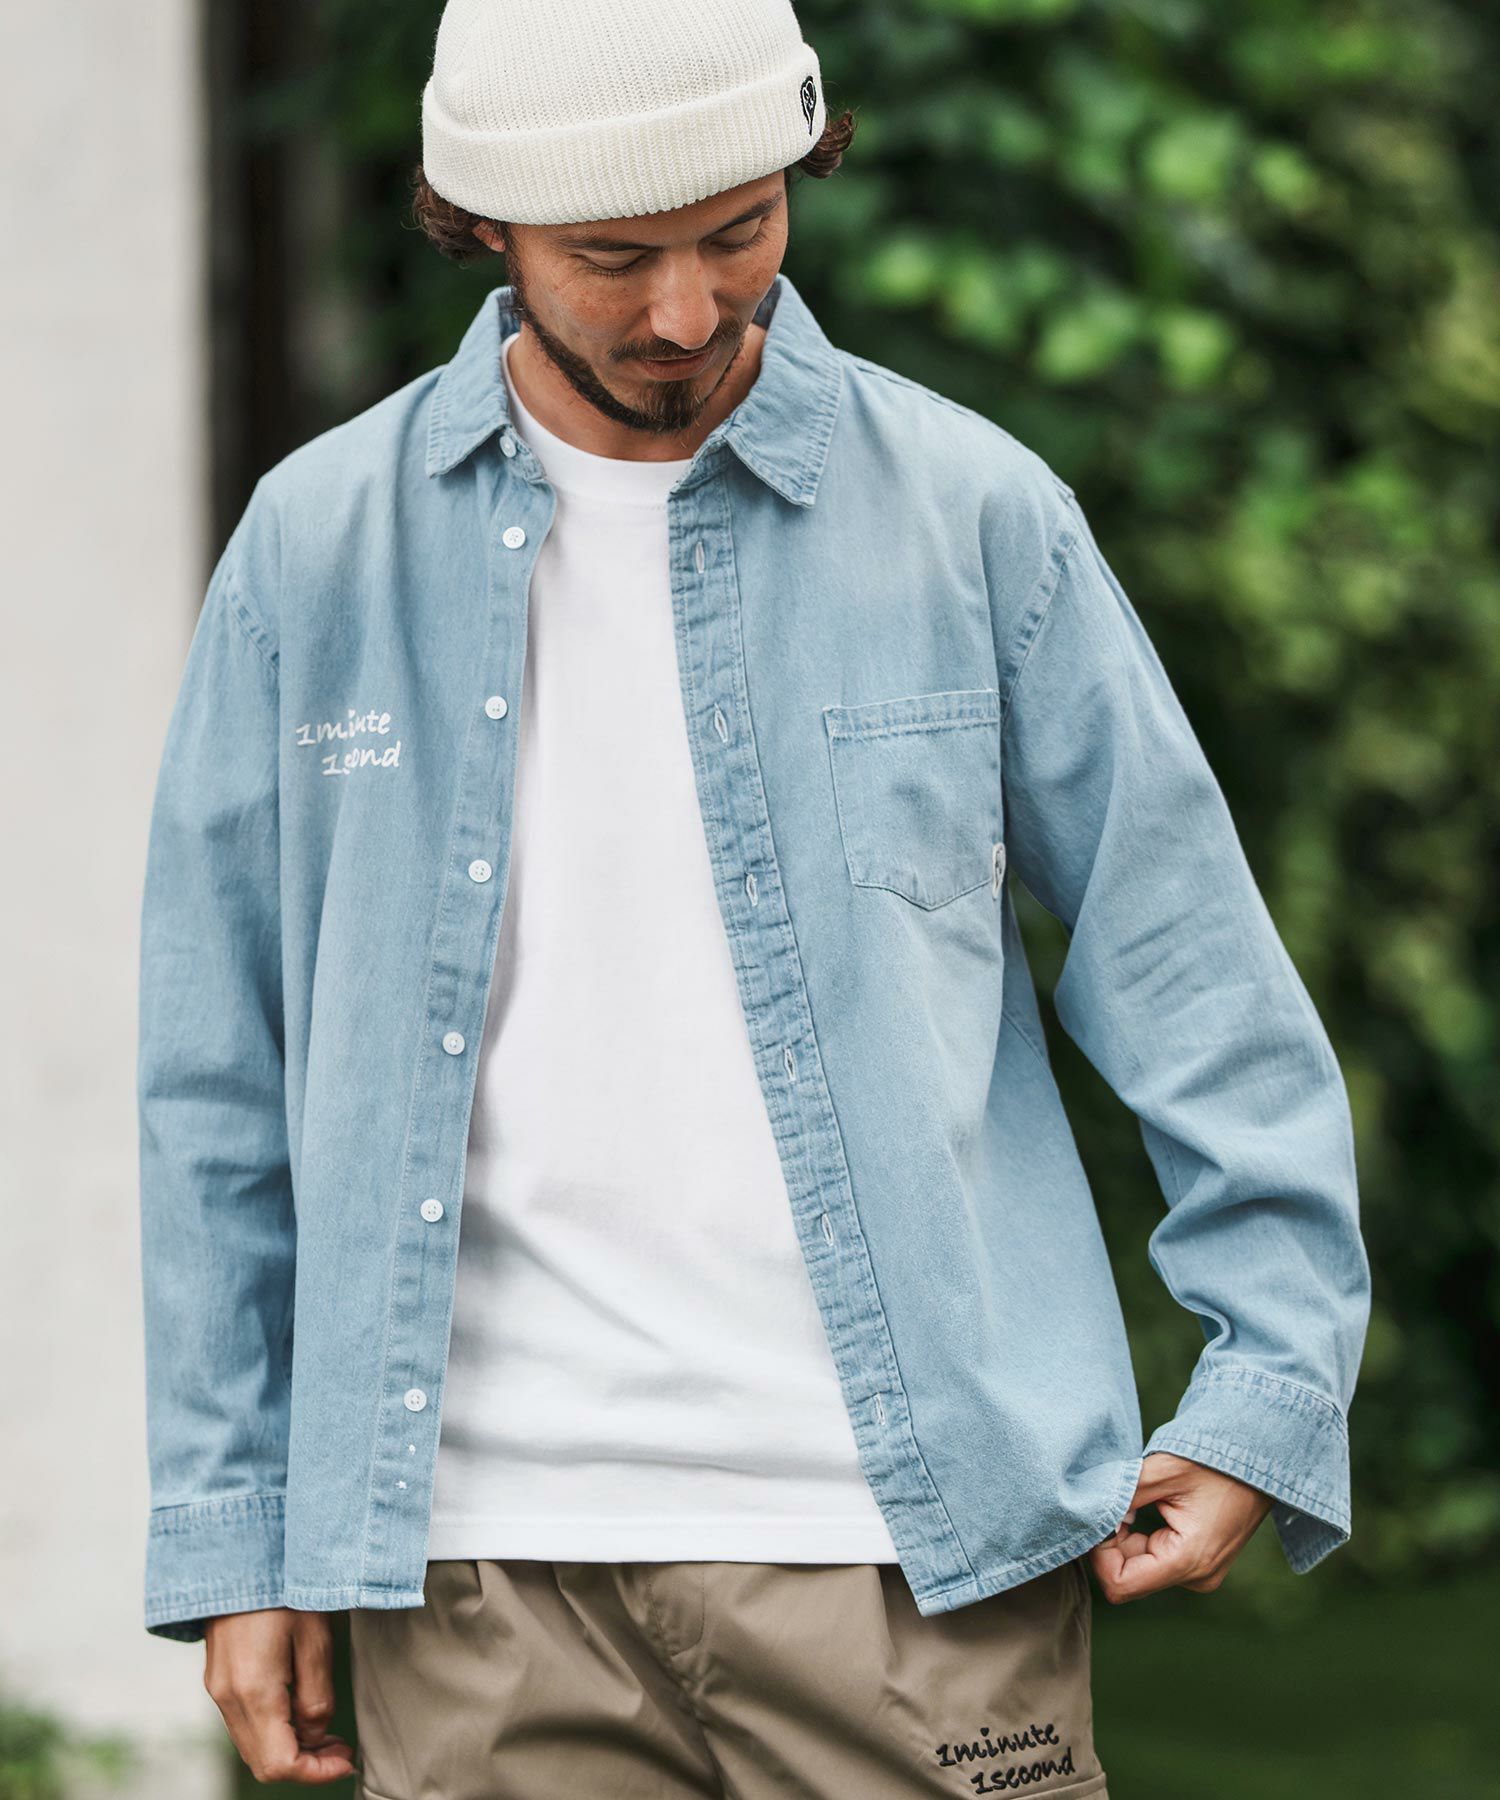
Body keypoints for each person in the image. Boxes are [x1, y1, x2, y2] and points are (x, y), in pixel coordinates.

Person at [136, 0, 1372, 1791]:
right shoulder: (317, 549)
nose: (688, 313)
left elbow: (1191, 968)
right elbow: (215, 1085)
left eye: (741, 231)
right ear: (480, 225)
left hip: (913, 1552)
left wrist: (1268, 1385)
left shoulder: (974, 515)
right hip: (472, 1572)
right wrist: (238, 1533)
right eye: (612, 259)